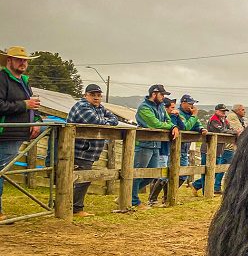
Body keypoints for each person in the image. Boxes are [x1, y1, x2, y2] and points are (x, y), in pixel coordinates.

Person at [0, 46, 42, 221]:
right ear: (9, 60)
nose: (23, 63)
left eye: (25, 60)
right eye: (19, 59)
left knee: (3, 170)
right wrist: (25, 105)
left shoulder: (24, 80)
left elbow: (31, 104)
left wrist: (37, 121)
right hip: (7, 132)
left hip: (19, 131)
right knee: (2, 170)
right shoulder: (2, 78)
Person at [67, 84, 120, 217]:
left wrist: (106, 121)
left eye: (98, 95)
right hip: (79, 149)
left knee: (81, 178)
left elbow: (115, 119)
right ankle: (75, 209)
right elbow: (96, 121)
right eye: (93, 95)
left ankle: (69, 206)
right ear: (86, 95)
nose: (96, 98)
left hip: (88, 151)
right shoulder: (82, 106)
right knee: (82, 179)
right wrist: (106, 122)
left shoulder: (99, 107)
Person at [132, 84, 178, 209]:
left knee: (152, 174)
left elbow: (168, 121)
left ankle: (129, 194)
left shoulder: (161, 107)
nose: (163, 97)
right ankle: (133, 200)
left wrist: (172, 125)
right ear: (154, 94)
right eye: (162, 94)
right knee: (137, 173)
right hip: (144, 144)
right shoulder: (144, 107)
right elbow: (154, 123)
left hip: (156, 144)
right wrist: (171, 126)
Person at [148, 97, 179, 206]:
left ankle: (165, 198)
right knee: (162, 175)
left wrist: (175, 117)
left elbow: (181, 127)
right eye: (172, 108)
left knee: (164, 174)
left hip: (166, 149)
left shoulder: (169, 118)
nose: (174, 110)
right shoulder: (162, 119)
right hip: (161, 149)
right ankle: (153, 199)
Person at [174, 94, 204, 189]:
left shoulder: (190, 115)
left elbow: (197, 125)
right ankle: (158, 197)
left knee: (183, 174)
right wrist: (194, 115)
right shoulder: (178, 113)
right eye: (190, 103)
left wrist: (201, 129)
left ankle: (169, 195)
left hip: (184, 148)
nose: (192, 106)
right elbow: (185, 127)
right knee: (168, 174)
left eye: (193, 104)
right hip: (175, 147)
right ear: (183, 103)